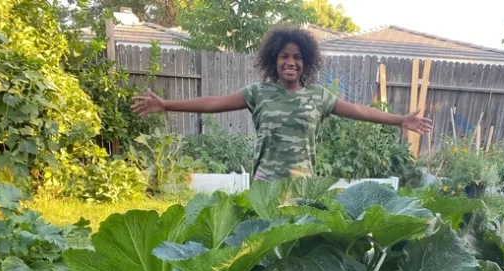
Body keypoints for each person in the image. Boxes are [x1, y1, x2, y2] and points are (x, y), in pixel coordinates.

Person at [132, 27, 433, 182]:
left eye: (297, 57)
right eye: (284, 56)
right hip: (265, 185)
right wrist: (166, 104)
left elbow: (359, 111)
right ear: (274, 60)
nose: (291, 62)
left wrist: (400, 119)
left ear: (306, 62)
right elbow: (213, 102)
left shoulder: (318, 97)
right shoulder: (258, 93)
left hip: (302, 186)